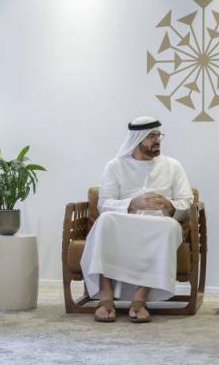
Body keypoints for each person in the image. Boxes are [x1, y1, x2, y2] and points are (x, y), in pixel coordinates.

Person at [80, 116, 193, 323]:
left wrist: (169, 205)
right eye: (151, 136)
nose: (157, 140)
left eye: (159, 135)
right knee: (105, 220)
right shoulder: (115, 166)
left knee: (168, 226)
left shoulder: (173, 166)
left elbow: (186, 202)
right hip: (125, 221)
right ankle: (105, 295)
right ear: (137, 138)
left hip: (159, 223)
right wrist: (132, 203)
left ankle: (140, 297)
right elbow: (104, 203)